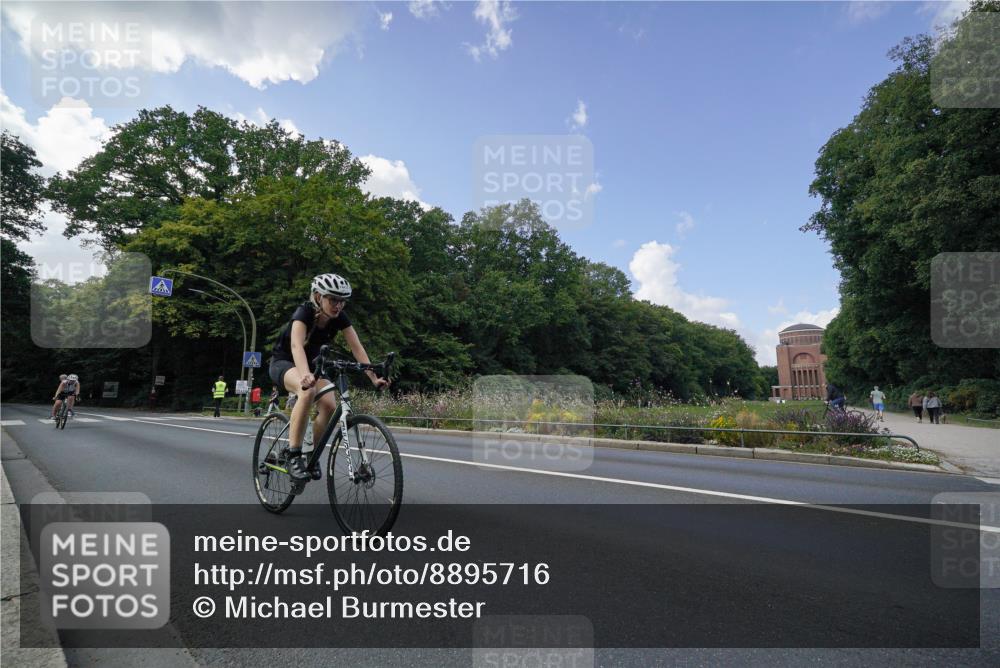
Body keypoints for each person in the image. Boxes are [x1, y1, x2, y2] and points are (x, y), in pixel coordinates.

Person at [267, 273, 389, 490]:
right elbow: (296, 346)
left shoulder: (340, 317)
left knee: (330, 406)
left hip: (312, 369)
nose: (338, 305)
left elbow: (356, 347)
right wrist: (305, 375)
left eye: (342, 300)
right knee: (307, 392)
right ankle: (294, 454)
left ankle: (310, 454)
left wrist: (373, 377)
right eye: (333, 299)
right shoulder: (303, 312)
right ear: (317, 296)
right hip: (284, 363)